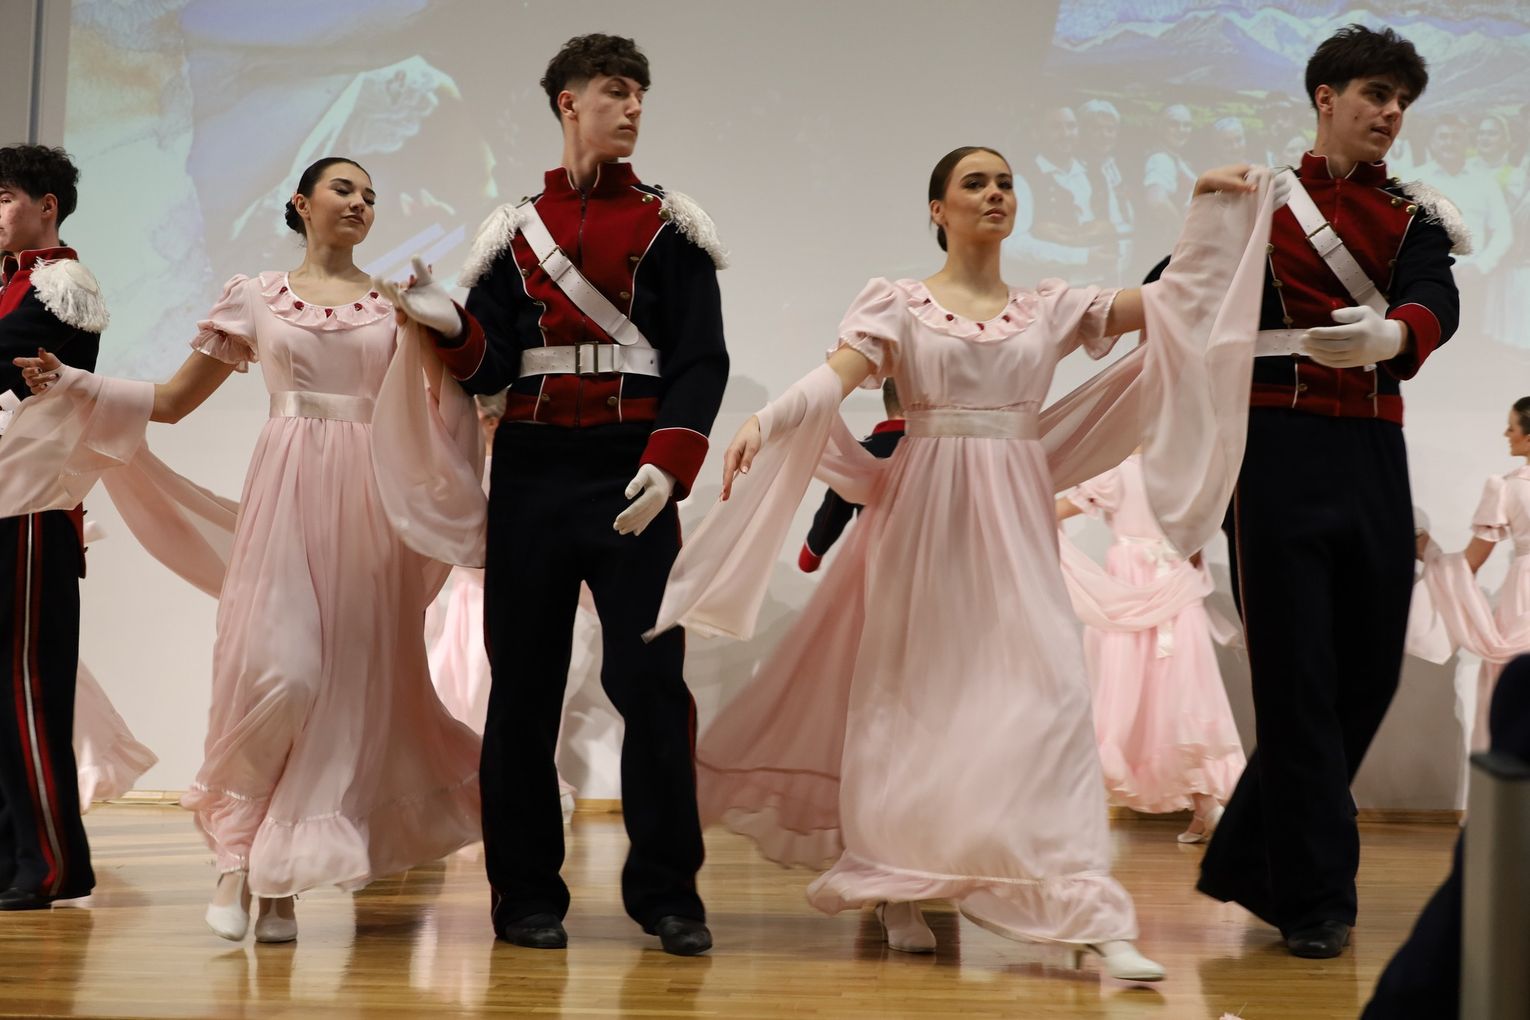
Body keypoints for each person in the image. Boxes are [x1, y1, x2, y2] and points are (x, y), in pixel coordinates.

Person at [647, 145, 1278, 982]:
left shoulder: (1050, 308)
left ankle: (1088, 909)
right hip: (923, 520)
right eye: (974, 183)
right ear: (937, 211)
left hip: (1015, 518)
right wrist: (770, 419)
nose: (994, 194)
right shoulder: (900, 304)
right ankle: (897, 882)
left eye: (1005, 183)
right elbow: (836, 377)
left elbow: (1177, 302)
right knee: (913, 702)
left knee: (1050, 700)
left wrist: (1207, 213)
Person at [11, 156, 485, 943]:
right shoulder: (255, 296)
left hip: (369, 507)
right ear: (300, 203)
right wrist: (79, 386)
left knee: (343, 695)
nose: (360, 203)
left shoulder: (392, 308)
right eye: (343, 189)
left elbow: (448, 408)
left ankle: (278, 883)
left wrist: (451, 334)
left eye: (370, 196)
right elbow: (172, 402)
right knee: (281, 674)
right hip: (287, 496)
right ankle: (236, 854)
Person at [383, 34, 728, 956]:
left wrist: (670, 463)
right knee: (524, 693)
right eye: (616, 91)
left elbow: (701, 360)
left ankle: (670, 896)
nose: (634, 107)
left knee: (650, 686)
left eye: (640, 94)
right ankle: (525, 896)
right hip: (533, 473)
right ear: (569, 102)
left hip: (633, 471)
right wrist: (448, 324)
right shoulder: (512, 232)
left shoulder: (672, 227)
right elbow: (491, 368)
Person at [1195, 24, 1464, 960]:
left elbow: (1435, 295)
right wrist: (1200, 224)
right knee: (1296, 677)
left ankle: (1252, 856)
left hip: (1374, 451)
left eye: (1401, 101)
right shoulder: (1256, 202)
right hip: (1272, 453)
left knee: (1370, 669)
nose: (1390, 113)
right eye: (1375, 95)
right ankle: (1317, 900)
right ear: (1325, 97)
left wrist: (1397, 336)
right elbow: (1176, 290)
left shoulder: (1416, 214)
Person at [0, 144, 107, 911]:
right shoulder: (8, 281)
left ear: (47, 206)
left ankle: (51, 863)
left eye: (3, 197)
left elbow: (10, 363)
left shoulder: (64, 283)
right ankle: (14, 855)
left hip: (34, 505)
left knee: (26, 684)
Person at [1055, 452, 1245, 841]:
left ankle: (1202, 807)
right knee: (1179, 695)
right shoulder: (1183, 468)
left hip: (1134, 590)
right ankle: (1206, 807)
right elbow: (1199, 533)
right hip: (1173, 585)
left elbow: (1059, 509)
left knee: (1138, 695)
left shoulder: (1114, 469)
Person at [1415, 397, 1530, 750]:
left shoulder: (1507, 487)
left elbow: (1470, 563)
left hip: (1525, 594)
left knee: (1517, 686)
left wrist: (1429, 553)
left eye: (1512, 427)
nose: (1506, 434)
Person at [797, 381, 904, 573]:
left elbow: (830, 518)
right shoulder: (944, 454)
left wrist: (811, 556)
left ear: (887, 401)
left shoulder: (860, 456)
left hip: (877, 573)